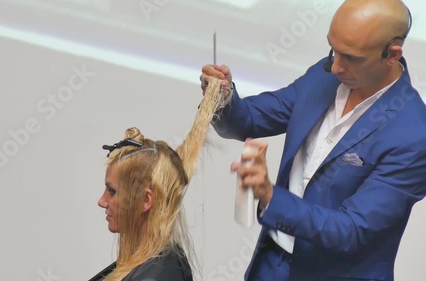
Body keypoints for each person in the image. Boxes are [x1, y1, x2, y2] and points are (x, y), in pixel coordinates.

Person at [200, 0, 426, 280]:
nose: (335, 67)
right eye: (333, 50)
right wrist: (223, 99)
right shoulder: (324, 75)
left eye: (351, 57)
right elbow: (250, 119)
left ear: (391, 54)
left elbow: (351, 230)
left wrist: (270, 196)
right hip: (270, 265)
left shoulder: (415, 135)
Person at [89, 79, 226, 280]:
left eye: (112, 191)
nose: (101, 201)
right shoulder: (144, 265)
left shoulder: (160, 275)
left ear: (146, 200)